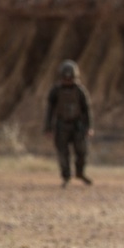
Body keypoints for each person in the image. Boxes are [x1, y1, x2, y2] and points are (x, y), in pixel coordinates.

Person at [44, 60, 94, 188]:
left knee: (82, 151)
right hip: (61, 126)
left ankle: (80, 173)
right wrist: (48, 128)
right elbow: (49, 110)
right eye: (65, 78)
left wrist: (89, 127)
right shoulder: (55, 91)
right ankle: (66, 177)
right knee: (63, 153)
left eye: (70, 78)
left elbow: (87, 110)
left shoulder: (80, 91)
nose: (67, 81)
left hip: (77, 126)